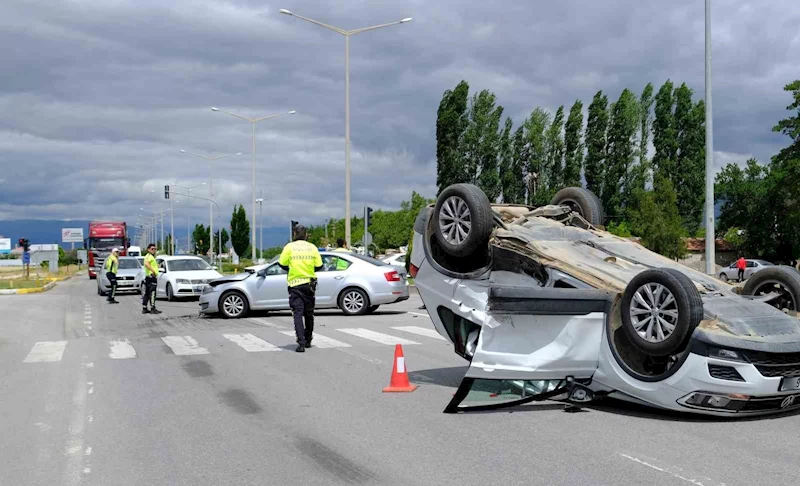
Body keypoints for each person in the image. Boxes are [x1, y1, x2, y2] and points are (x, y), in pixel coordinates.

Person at [279, 224, 322, 353]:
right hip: (309, 285)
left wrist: (292, 269)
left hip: (295, 284)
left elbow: (282, 263)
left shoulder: (289, 247)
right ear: (306, 235)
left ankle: (301, 343)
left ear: (294, 234)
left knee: (297, 313)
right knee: (309, 313)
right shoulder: (312, 247)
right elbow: (319, 265)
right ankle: (308, 339)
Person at [142, 243, 162, 314]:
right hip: (151, 277)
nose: (154, 250)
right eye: (152, 249)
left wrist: (157, 266)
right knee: (152, 293)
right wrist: (153, 271)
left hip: (148, 277)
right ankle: (153, 308)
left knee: (147, 293)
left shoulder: (151, 257)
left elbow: (150, 264)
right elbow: (146, 264)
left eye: (155, 249)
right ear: (148, 249)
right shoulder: (149, 256)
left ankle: (144, 308)